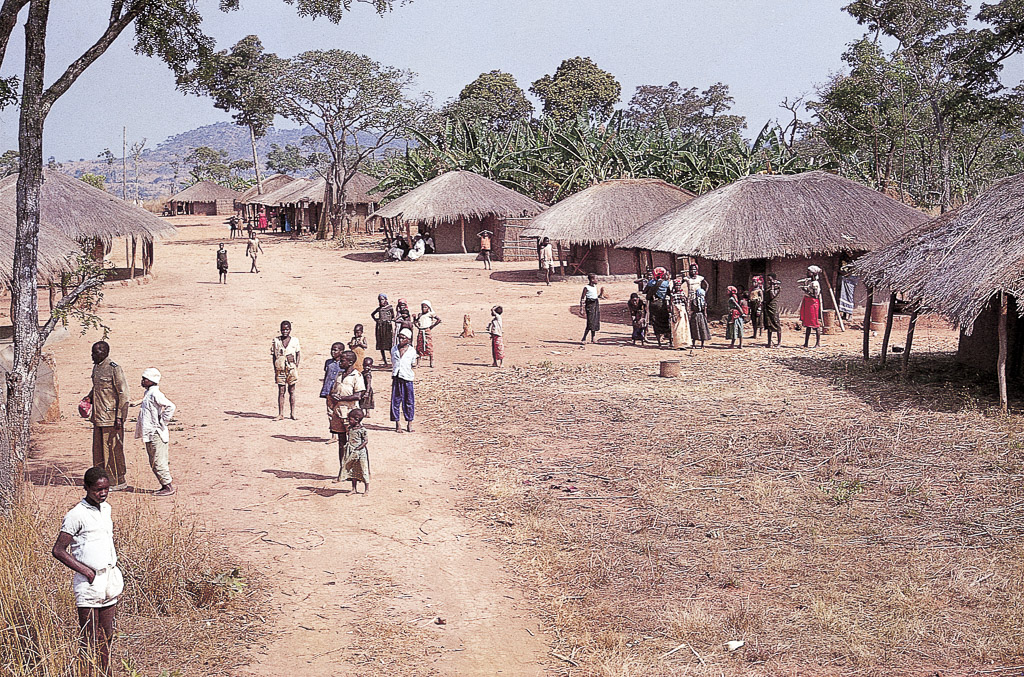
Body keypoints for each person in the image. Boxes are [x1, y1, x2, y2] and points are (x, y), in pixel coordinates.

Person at [52, 467, 124, 677]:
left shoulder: (106, 509)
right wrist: (87, 572)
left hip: (109, 578)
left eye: (106, 489)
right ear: (86, 488)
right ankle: (87, 672)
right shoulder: (76, 515)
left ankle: (105, 672)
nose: (102, 493)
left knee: (107, 635)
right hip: (88, 583)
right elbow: (58, 550)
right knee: (89, 639)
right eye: (97, 490)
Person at [86, 341, 129, 491]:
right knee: (98, 452)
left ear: (104, 352)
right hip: (98, 417)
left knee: (112, 451)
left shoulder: (114, 369)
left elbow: (123, 394)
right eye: (92, 352)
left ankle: (118, 481)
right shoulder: (97, 367)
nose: (92, 356)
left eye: (95, 353)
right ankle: (102, 480)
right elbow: (97, 388)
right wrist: (88, 398)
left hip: (111, 419)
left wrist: (120, 417)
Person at [132, 368, 177, 496]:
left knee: (158, 461)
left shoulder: (155, 394)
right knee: (153, 461)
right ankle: (164, 485)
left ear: (151, 381)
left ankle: (168, 486)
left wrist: (162, 421)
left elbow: (170, 406)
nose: (142, 381)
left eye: (145, 379)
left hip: (157, 433)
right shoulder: (149, 393)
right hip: (150, 433)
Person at [328, 350, 365, 476]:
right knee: (341, 443)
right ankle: (342, 471)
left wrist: (342, 398)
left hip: (351, 415)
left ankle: (358, 471)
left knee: (355, 444)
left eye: (342, 360)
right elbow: (333, 391)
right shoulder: (339, 375)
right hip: (338, 413)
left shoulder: (357, 376)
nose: (340, 362)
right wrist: (333, 397)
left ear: (350, 362)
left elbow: (358, 395)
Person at [271, 321, 301, 419]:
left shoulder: (295, 340)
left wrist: (296, 365)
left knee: (292, 390)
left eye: (287, 329)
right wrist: (275, 367)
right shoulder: (276, 341)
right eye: (283, 329)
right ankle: (281, 414)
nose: (285, 331)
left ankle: (293, 413)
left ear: (290, 330)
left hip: (291, 368)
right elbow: (273, 356)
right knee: (281, 391)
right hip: (280, 368)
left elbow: (298, 353)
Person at [390, 328, 417, 433]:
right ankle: (398, 423)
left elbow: (412, 364)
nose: (400, 340)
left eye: (403, 338)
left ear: (408, 340)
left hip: (407, 378)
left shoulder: (412, 351)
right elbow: (394, 362)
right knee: (395, 400)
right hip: (397, 377)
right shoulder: (394, 350)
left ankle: (409, 423)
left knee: (409, 401)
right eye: (399, 337)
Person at [339, 409, 370, 494]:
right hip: (351, 452)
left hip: (360, 453)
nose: (349, 421)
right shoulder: (350, 428)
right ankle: (354, 489)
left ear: (356, 419)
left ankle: (366, 489)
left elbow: (365, 441)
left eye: (350, 419)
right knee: (352, 470)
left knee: (364, 469)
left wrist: (358, 448)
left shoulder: (362, 430)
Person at [321, 342, 344, 440]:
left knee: (340, 412)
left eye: (335, 350)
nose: (333, 352)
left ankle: (342, 434)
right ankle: (334, 435)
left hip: (339, 392)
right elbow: (326, 376)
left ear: (341, 351)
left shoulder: (343, 364)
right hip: (329, 391)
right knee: (330, 412)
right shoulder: (328, 362)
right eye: (332, 349)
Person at [685, 264, 711, 348]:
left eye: (694, 270)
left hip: (699, 297)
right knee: (693, 323)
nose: (693, 271)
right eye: (691, 270)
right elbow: (682, 286)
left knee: (701, 324)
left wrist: (703, 293)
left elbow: (707, 285)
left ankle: (702, 343)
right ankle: (693, 342)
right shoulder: (687, 279)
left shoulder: (700, 278)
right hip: (691, 298)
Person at [645, 267, 672, 347]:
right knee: (665, 322)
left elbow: (645, 291)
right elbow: (669, 293)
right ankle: (670, 341)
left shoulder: (651, 283)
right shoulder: (666, 283)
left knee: (655, 322)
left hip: (654, 304)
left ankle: (659, 343)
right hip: (663, 304)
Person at [800, 265, 823, 348]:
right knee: (808, 324)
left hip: (813, 304)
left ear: (813, 273)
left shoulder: (815, 284)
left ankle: (817, 343)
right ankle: (806, 343)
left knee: (815, 323)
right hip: (809, 303)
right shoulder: (811, 283)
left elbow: (815, 296)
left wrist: (806, 290)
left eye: (809, 271)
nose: (807, 273)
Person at [414, 300, 441, 368]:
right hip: (420, 331)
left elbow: (439, 320)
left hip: (427, 331)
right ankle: (418, 363)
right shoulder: (420, 315)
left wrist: (432, 326)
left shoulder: (430, 314)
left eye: (425, 307)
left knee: (428, 345)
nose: (423, 309)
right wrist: (414, 318)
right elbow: (415, 322)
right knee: (419, 346)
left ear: (428, 308)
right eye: (422, 307)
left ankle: (431, 362)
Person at [371, 294, 394, 365]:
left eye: (382, 299)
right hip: (380, 327)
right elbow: (372, 314)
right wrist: (377, 320)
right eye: (380, 300)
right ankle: (385, 361)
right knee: (381, 345)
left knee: (389, 344)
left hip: (387, 327)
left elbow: (392, 316)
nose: (381, 301)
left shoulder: (390, 308)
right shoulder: (379, 309)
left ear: (386, 300)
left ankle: (393, 360)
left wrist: (389, 320)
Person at [669, 278, 691, 350]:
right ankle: (677, 344)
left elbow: (686, 303)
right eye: (676, 285)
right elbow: (671, 304)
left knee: (683, 327)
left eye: (679, 285)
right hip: (676, 311)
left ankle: (683, 344)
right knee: (676, 328)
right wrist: (673, 314)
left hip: (682, 310)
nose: (678, 287)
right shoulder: (672, 294)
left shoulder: (682, 293)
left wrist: (685, 300)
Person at [763, 273, 783, 348]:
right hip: (767, 307)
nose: (769, 282)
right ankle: (769, 342)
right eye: (768, 280)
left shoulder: (777, 288)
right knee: (769, 325)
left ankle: (779, 343)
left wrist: (772, 286)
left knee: (776, 324)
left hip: (773, 308)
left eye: (770, 280)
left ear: (774, 280)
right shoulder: (768, 288)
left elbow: (772, 296)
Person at [580, 273, 601, 344]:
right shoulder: (586, 287)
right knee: (590, 322)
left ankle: (593, 338)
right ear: (592, 280)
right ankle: (584, 338)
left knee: (595, 321)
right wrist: (581, 308)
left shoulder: (594, 286)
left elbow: (595, 295)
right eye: (596, 279)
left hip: (595, 304)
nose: (597, 280)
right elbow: (582, 298)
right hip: (590, 305)